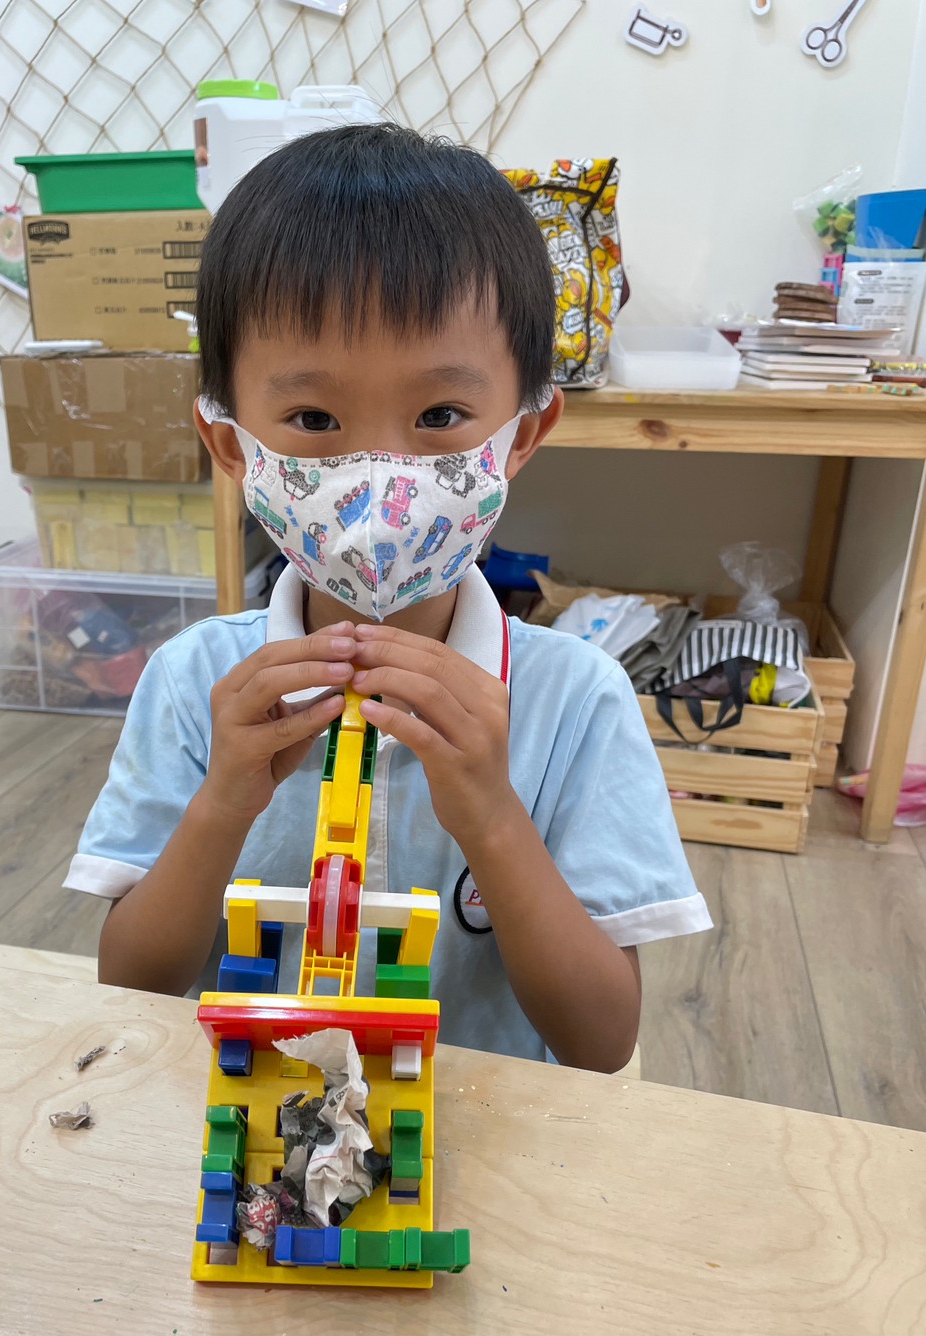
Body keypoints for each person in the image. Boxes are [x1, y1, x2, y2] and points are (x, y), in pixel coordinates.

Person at [64, 124, 711, 1072]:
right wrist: (222, 804)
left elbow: (600, 1040)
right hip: (253, 1125)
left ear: (523, 435)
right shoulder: (194, 680)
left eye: (439, 415)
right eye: (314, 417)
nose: (379, 478)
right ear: (234, 446)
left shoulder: (574, 701)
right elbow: (131, 986)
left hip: (482, 1135)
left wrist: (491, 815)